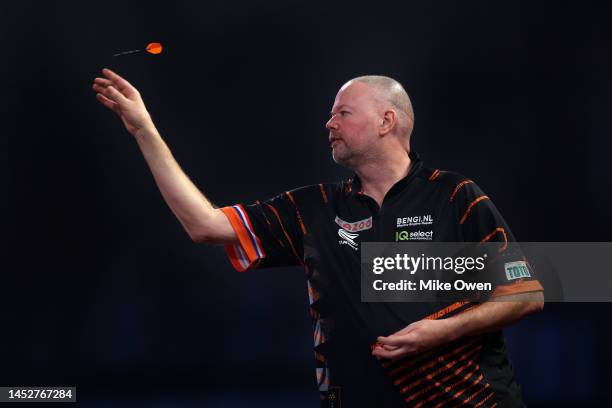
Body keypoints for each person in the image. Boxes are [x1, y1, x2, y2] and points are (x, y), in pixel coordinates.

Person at [92, 70, 544, 407]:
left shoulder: (456, 196)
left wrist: (438, 332)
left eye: (342, 113)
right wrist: (143, 130)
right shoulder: (314, 210)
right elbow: (206, 225)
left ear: (387, 121)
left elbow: (526, 295)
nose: (329, 124)